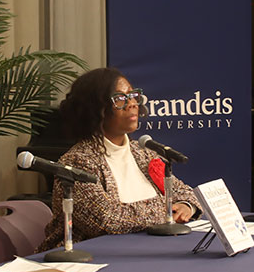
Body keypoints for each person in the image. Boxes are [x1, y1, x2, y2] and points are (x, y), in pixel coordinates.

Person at [36, 68, 201, 252]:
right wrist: (167, 209)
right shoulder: (79, 161)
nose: (131, 103)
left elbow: (184, 192)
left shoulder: (144, 153)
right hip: (91, 259)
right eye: (120, 99)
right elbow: (107, 220)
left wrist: (187, 206)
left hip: (147, 251)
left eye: (132, 95)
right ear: (94, 109)